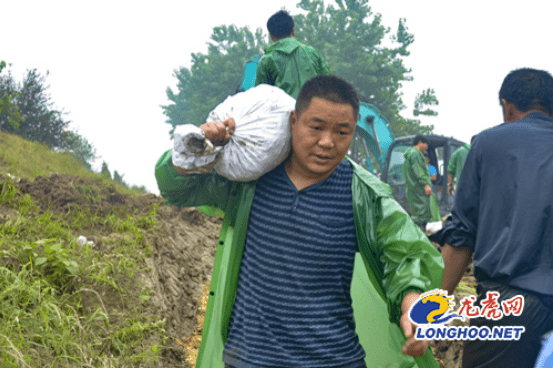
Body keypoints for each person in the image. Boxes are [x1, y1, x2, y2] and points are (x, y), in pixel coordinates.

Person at [155, 75, 444, 368]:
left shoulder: (362, 193)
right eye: (316, 127)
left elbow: (404, 252)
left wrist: (411, 305)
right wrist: (197, 149)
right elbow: (176, 189)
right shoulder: (250, 180)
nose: (327, 142)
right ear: (294, 121)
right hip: (249, 359)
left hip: (333, 359)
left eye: (342, 132)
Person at [439, 68, 553, 368]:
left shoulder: (488, 143)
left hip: (508, 308)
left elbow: (462, 234)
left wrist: (436, 306)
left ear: (507, 106)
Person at [254, 10, 330, 99]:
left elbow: (261, 98)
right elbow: (329, 85)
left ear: (271, 36)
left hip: (286, 112)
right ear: (293, 31)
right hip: (315, 110)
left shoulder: (266, 61)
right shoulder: (313, 53)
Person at [402, 135, 432, 231]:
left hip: (413, 189)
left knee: (417, 213)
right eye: (425, 145)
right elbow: (418, 170)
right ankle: (421, 238)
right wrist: (426, 184)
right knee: (421, 215)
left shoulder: (409, 154)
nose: (426, 148)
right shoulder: (415, 154)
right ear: (420, 142)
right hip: (418, 189)